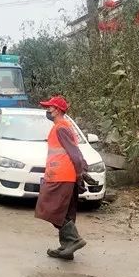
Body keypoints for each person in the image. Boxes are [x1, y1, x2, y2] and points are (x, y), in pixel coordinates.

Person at [34, 95, 89, 260]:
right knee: (65, 211)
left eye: (50, 107)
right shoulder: (63, 126)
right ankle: (67, 248)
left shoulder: (61, 128)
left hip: (61, 176)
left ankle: (74, 240)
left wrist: (81, 172)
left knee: (50, 209)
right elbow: (74, 151)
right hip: (63, 175)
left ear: (57, 110)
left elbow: (74, 154)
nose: (47, 110)